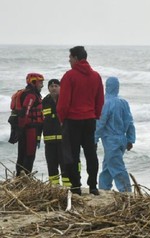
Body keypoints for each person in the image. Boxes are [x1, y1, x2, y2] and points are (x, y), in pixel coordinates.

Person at [57, 46, 104, 196]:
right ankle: (93, 186)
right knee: (91, 153)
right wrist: (95, 114)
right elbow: (100, 100)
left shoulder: (69, 76)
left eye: (70, 57)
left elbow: (64, 102)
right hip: (89, 119)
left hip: (72, 120)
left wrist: (61, 118)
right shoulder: (96, 76)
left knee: (72, 154)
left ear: (76, 58)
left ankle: (76, 186)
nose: (69, 60)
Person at [95, 77, 135, 192]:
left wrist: (94, 138)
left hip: (110, 140)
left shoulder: (105, 103)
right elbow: (130, 121)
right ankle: (104, 188)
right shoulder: (124, 102)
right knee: (108, 166)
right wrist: (130, 139)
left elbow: (101, 122)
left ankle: (126, 191)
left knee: (117, 167)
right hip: (122, 138)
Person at [42, 79, 71, 186]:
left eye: (56, 86)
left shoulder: (65, 100)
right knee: (51, 165)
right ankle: (54, 187)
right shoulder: (44, 101)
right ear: (48, 88)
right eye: (51, 86)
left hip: (63, 140)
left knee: (65, 165)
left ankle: (67, 187)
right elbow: (41, 120)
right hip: (49, 141)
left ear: (60, 88)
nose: (54, 88)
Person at [15, 73, 44, 176]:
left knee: (22, 154)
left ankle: (20, 177)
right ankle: (25, 177)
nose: (42, 85)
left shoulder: (28, 93)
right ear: (34, 82)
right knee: (29, 154)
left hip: (26, 129)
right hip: (30, 130)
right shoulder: (31, 95)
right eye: (40, 82)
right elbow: (25, 112)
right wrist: (22, 129)